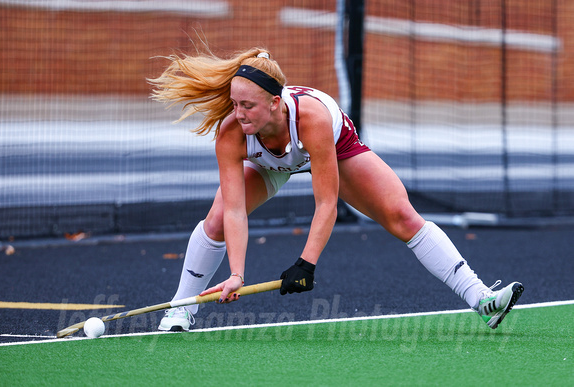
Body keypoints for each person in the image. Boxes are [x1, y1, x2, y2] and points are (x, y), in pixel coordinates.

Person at [149, 46, 523, 332]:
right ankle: (181, 308)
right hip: (267, 161)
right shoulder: (233, 132)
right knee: (215, 220)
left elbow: (327, 202)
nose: (239, 113)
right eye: (235, 104)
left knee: (401, 216)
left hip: (333, 147)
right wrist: (236, 275)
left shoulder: (310, 118)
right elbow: (233, 211)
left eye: (247, 105)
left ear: (275, 103)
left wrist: (306, 263)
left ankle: (481, 298)